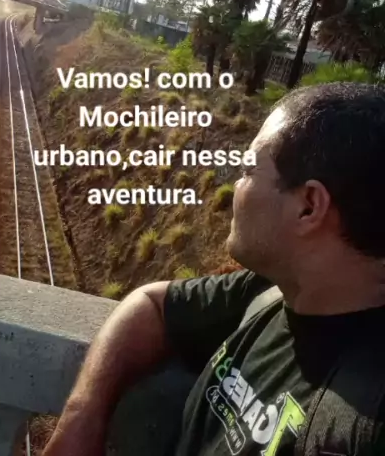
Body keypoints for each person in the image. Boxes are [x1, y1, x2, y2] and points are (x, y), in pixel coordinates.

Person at [43, 82, 385, 456]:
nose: (235, 187)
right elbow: (154, 304)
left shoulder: (361, 423)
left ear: (308, 206)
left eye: (248, 170)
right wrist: (83, 415)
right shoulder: (271, 293)